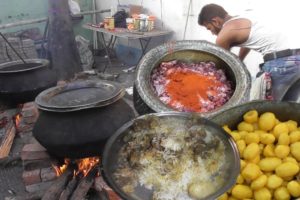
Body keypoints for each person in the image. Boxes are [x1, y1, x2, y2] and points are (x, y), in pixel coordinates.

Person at [198, 3, 300, 100]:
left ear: (215, 21)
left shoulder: (224, 34)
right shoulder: (245, 18)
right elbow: (247, 43)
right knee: (287, 108)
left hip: (280, 64)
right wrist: (240, 59)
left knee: (262, 109)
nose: (212, 33)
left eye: (209, 28)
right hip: (296, 60)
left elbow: (221, 65)